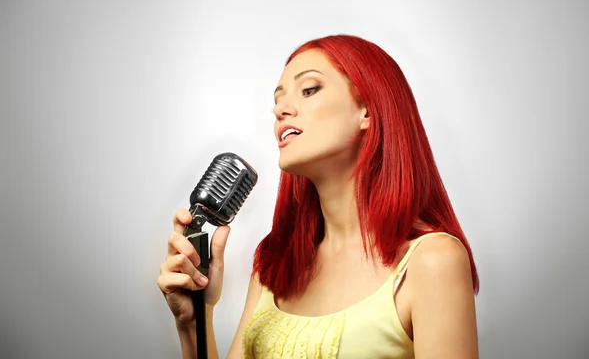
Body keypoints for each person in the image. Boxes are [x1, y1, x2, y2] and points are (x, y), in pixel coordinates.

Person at [158, 35, 480, 359]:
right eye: (277, 100)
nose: (280, 110)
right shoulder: (274, 266)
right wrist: (195, 323)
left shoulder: (432, 261)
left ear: (367, 111)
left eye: (309, 89)